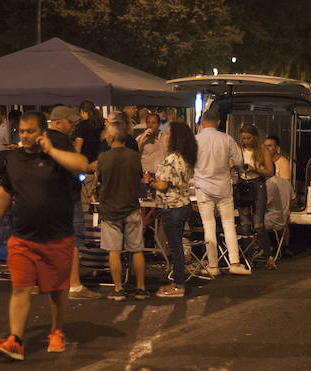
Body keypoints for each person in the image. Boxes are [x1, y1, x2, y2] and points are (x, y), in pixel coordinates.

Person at [0, 111, 88, 361]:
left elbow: (83, 165)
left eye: (31, 131)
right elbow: (5, 192)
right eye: (22, 131)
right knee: (20, 287)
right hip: (23, 236)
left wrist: (51, 150)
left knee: (57, 290)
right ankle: (16, 341)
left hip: (57, 236)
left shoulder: (56, 153)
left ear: (42, 131)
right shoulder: (13, 159)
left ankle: (56, 331)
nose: (25, 135)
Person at [48, 106, 100, 300]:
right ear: (59, 122)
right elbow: (74, 169)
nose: (73, 126)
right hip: (67, 198)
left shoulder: (42, 140)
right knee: (72, 241)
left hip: (46, 198)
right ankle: (75, 284)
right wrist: (87, 168)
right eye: (70, 122)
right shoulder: (61, 142)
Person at [194, 108, 251, 276]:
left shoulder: (195, 140)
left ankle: (213, 266)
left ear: (203, 122)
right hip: (223, 187)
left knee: (208, 226)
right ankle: (234, 262)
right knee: (228, 224)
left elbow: (189, 161)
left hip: (203, 188)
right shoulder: (226, 139)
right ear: (218, 122)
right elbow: (240, 161)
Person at [97, 120, 148, 300]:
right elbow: (139, 177)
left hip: (110, 209)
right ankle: (141, 288)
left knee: (114, 251)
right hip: (132, 206)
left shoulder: (103, 158)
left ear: (110, 137)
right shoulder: (134, 156)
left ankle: (118, 289)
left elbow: (100, 180)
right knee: (137, 249)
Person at [147, 121, 197, 297]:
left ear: (175, 137)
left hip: (173, 207)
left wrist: (149, 182)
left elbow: (162, 185)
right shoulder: (185, 157)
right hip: (183, 204)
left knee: (175, 248)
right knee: (177, 246)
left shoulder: (172, 159)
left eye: (168, 134)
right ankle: (178, 282)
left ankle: (178, 285)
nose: (165, 136)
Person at [238, 124, 276, 268]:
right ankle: (249, 258)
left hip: (258, 185)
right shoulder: (239, 150)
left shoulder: (262, 150)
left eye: (248, 138)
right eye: (243, 138)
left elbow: (270, 172)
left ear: (254, 137)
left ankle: (269, 256)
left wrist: (255, 169)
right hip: (243, 184)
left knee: (258, 224)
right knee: (245, 225)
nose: (246, 141)